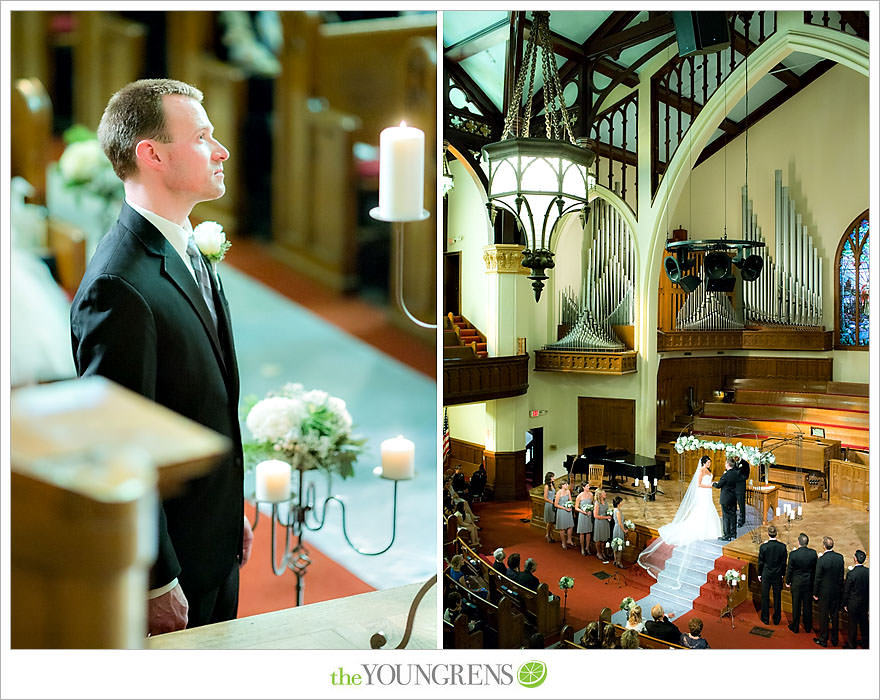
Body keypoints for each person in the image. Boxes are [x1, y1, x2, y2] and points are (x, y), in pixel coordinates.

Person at [71, 79, 253, 635]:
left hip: (210, 532)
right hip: (176, 563)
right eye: (202, 137)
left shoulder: (182, 243)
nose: (220, 151)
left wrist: (229, 511)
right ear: (151, 154)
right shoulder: (118, 285)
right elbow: (118, 446)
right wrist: (155, 577)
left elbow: (201, 399)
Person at [637, 455, 721, 580]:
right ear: (703, 462)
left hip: (707, 494)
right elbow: (698, 484)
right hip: (703, 493)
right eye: (708, 462)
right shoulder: (701, 471)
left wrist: (712, 483)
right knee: (702, 511)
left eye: (710, 462)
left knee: (709, 510)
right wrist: (711, 486)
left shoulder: (708, 471)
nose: (709, 464)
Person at [813, 536, 844, 647]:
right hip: (836, 592)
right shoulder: (840, 558)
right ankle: (835, 640)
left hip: (824, 593)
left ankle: (823, 639)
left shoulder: (821, 560)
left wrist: (815, 593)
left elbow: (818, 578)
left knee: (824, 616)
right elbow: (841, 577)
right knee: (835, 616)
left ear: (824, 546)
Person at [785, 532, 817, 633]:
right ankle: (808, 627)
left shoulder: (793, 554)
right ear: (807, 543)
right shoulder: (813, 553)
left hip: (797, 583)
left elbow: (789, 570)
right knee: (808, 606)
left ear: (798, 542)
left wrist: (787, 581)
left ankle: (795, 627)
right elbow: (815, 569)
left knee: (796, 605)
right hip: (808, 583)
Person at [757, 525, 787, 625]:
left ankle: (765, 618)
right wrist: (783, 574)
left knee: (765, 596)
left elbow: (760, 562)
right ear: (776, 534)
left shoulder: (764, 547)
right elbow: (783, 563)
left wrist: (759, 574)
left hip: (766, 574)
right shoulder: (782, 547)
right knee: (777, 597)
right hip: (778, 574)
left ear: (768, 534)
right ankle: (777, 619)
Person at [842, 549, 868, 648]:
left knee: (852, 625)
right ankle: (866, 643)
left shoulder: (851, 574)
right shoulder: (868, 572)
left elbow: (846, 591)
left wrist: (844, 604)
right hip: (865, 603)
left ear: (855, 559)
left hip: (853, 604)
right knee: (864, 624)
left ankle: (851, 645)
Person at [712, 456, 740, 541]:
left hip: (726, 499)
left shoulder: (726, 475)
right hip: (733, 498)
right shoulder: (737, 473)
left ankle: (727, 535)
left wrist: (713, 484)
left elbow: (719, 485)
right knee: (733, 515)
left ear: (728, 464)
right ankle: (733, 533)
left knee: (726, 517)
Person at [554, 480, 575, 550]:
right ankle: (563, 542)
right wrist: (564, 508)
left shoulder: (568, 491)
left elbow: (570, 500)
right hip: (561, 511)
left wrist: (570, 505)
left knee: (570, 525)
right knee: (562, 528)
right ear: (562, 485)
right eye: (566, 484)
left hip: (568, 510)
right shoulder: (559, 493)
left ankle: (569, 540)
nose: (567, 486)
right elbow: (556, 504)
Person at [592, 489, 612, 563]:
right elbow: (595, 515)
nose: (605, 494)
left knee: (604, 538)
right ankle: (598, 553)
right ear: (600, 495)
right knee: (599, 539)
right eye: (604, 493)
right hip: (599, 522)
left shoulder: (605, 501)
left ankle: (603, 552)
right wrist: (606, 517)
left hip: (605, 522)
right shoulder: (597, 503)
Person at [574, 483, 593, 556]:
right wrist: (583, 511)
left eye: (589, 486)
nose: (589, 487)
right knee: (582, 532)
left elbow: (592, 504)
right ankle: (582, 548)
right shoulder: (579, 496)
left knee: (588, 532)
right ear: (583, 487)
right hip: (582, 515)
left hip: (588, 515)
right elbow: (576, 507)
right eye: (587, 486)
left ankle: (587, 548)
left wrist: (590, 510)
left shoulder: (591, 495)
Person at [611, 495, 627, 569]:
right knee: (619, 545)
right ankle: (619, 562)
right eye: (621, 501)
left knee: (616, 545)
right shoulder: (617, 511)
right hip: (619, 529)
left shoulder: (615, 510)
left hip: (616, 528)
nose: (622, 502)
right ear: (618, 503)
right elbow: (620, 523)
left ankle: (615, 560)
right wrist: (624, 530)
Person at [735, 457, 750, 527]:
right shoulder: (732, 462)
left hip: (740, 487)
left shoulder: (745, 464)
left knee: (741, 505)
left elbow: (746, 476)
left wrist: (737, 477)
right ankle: (733, 519)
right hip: (732, 487)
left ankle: (742, 520)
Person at [542, 472, 556, 543]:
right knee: (549, 521)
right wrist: (552, 502)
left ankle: (551, 535)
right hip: (549, 505)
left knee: (552, 521)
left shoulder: (552, 485)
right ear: (549, 478)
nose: (554, 478)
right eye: (552, 477)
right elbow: (545, 498)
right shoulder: (546, 486)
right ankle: (547, 535)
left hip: (553, 504)